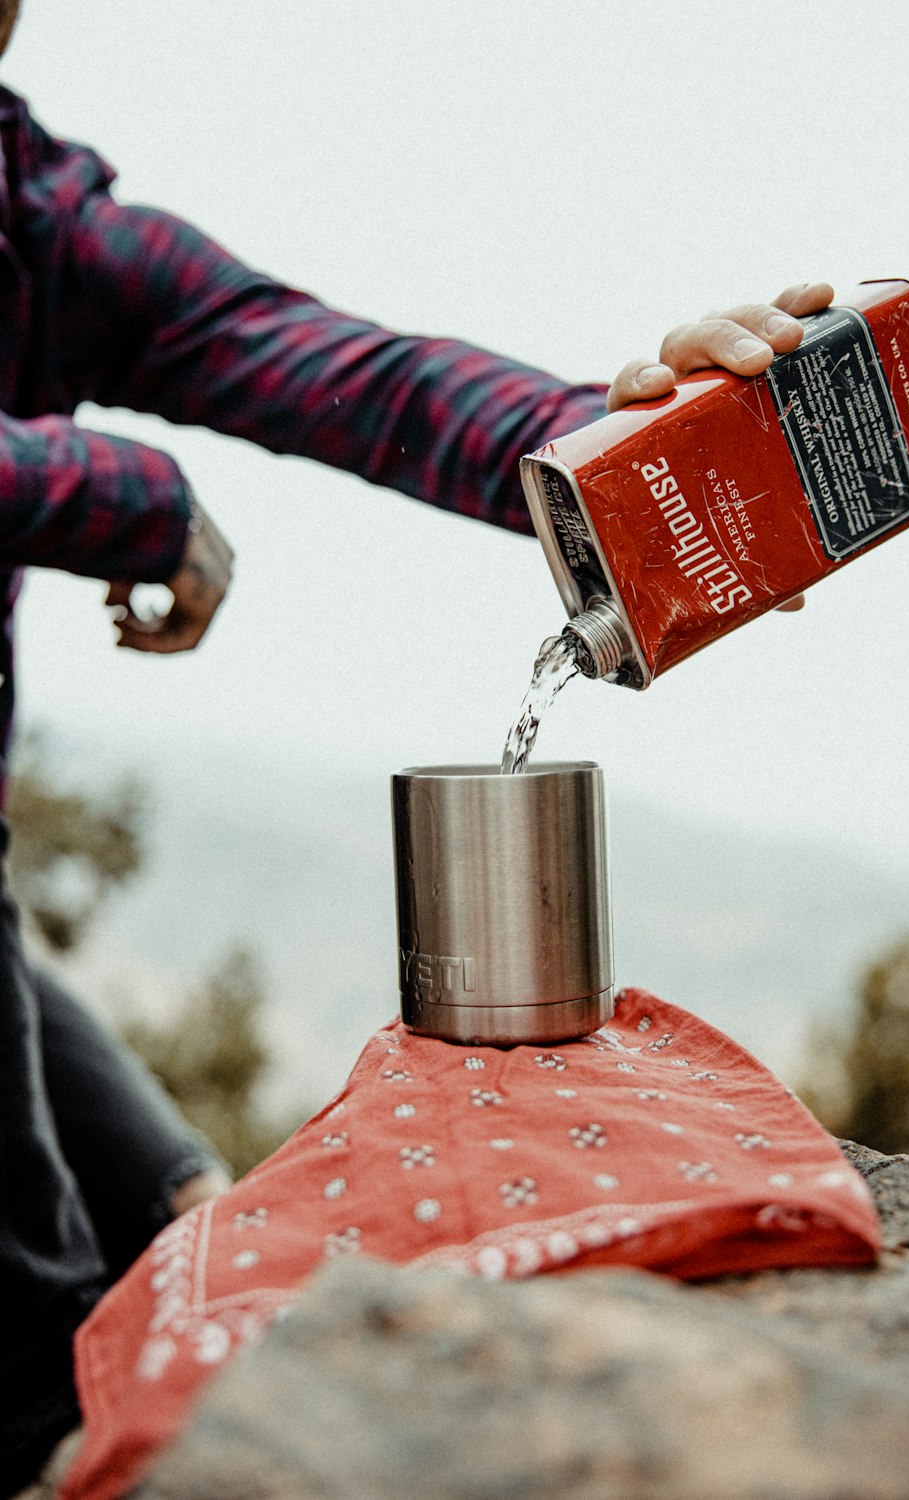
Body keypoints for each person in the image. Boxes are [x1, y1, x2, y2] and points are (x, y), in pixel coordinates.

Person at [0, 0, 833, 1490]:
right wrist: (130, 494)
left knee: (195, 1225)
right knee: (43, 1360)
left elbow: (344, 372)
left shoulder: (36, 214)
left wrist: (614, 449)